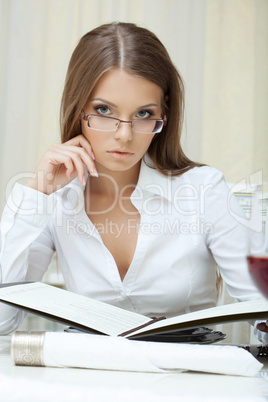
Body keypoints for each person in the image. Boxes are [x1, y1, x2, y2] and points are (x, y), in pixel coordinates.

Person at [0, 22, 267, 341]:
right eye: (103, 110)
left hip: (188, 382)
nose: (124, 135)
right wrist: (36, 192)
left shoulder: (204, 190)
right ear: (78, 107)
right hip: (90, 382)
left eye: (143, 114)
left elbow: (259, 306)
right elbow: (2, 322)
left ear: (164, 114)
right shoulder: (55, 199)